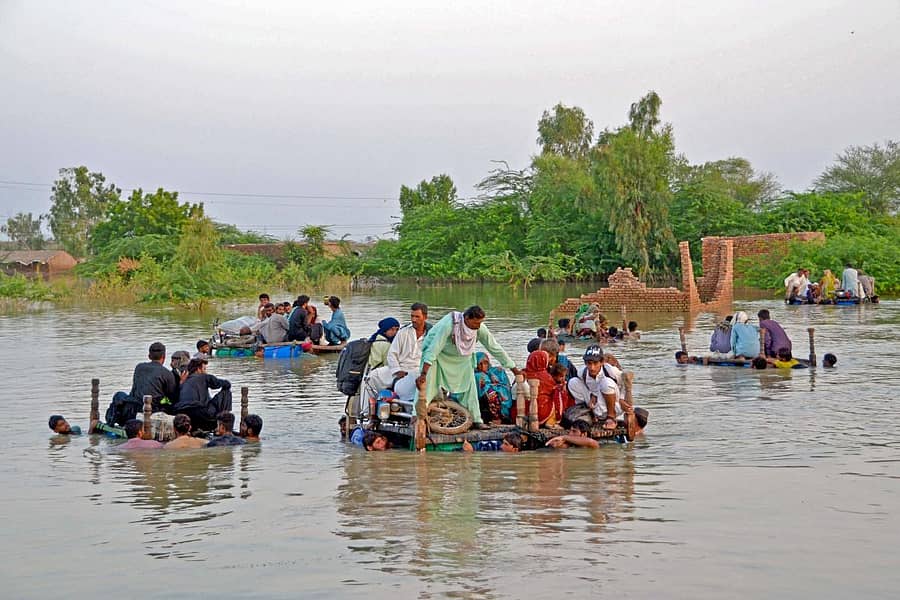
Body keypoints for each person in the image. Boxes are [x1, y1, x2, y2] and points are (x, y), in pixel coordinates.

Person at [417, 306, 518, 430]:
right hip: (438, 356)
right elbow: (434, 348)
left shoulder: (479, 329)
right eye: (475, 323)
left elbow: (494, 347)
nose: (478, 326)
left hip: (462, 357)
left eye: (480, 323)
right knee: (428, 384)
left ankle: (476, 420)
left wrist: (514, 368)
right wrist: (423, 373)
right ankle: (417, 417)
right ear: (466, 318)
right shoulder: (449, 324)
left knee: (470, 387)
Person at [107, 342, 179, 424]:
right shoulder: (167, 373)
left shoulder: (139, 367)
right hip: (152, 409)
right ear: (164, 357)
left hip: (134, 406)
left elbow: (134, 390)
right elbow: (172, 397)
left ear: (149, 356)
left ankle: (111, 421)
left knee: (119, 395)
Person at [567, 345, 633, 433]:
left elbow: (625, 383)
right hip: (595, 405)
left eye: (595, 363)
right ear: (585, 363)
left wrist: (621, 399)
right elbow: (584, 387)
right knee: (573, 382)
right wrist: (592, 395)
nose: (592, 367)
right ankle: (589, 413)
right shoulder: (582, 372)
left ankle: (611, 417)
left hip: (614, 405)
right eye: (589, 363)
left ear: (602, 362)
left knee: (606, 382)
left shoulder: (610, 371)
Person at [171, 357, 233, 432]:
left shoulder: (183, 382)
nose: (205, 371)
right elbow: (225, 384)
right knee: (226, 392)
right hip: (199, 412)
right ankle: (225, 422)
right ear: (198, 369)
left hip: (180, 412)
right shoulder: (203, 376)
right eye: (204, 369)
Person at [387, 303, 432, 403]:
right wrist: (397, 371)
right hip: (403, 373)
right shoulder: (403, 332)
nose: (413, 319)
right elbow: (392, 354)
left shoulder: (432, 335)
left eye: (417, 317)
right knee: (372, 378)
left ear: (425, 317)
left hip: (423, 373)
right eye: (412, 316)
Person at [523, 350, 573, 427]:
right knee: (558, 393)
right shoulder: (546, 377)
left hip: (524, 411)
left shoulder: (523, 373)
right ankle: (552, 421)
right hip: (539, 412)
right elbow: (555, 393)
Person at [475, 351, 514, 424]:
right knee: (492, 394)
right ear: (476, 365)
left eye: (485, 363)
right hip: (485, 398)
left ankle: (505, 414)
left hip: (496, 391)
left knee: (500, 371)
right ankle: (496, 418)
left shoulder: (495, 371)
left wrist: (492, 377)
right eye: (480, 364)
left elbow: (503, 383)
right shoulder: (478, 375)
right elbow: (485, 388)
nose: (483, 366)